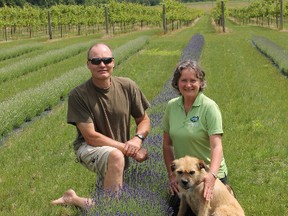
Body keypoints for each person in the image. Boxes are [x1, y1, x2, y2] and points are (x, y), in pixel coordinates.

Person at [51, 43, 151, 208]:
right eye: (96, 61)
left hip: (117, 147)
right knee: (116, 158)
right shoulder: (79, 95)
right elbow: (91, 136)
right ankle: (110, 210)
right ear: (88, 64)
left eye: (106, 60)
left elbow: (144, 120)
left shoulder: (127, 86)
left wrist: (137, 141)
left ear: (113, 62)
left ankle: (73, 199)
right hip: (88, 147)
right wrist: (129, 150)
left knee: (109, 195)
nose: (102, 65)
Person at [162, 60, 228, 215]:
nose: (188, 85)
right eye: (183, 80)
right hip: (183, 174)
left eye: (193, 80)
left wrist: (211, 176)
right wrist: (172, 175)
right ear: (177, 83)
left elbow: (216, 146)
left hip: (206, 175)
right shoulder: (171, 106)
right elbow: (167, 145)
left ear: (200, 83)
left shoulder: (209, 107)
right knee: (169, 210)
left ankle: (226, 191)